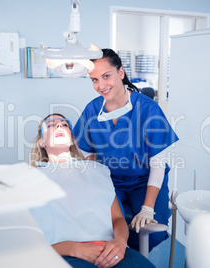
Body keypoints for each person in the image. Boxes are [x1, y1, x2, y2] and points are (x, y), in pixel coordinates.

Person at [73, 49, 179, 252]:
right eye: (94, 80)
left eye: (106, 76)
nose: (101, 86)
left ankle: (125, 252)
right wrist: (96, 178)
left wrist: (147, 207)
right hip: (111, 181)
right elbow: (85, 152)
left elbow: (157, 165)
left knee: (153, 233)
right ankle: (118, 252)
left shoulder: (148, 109)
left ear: (120, 72)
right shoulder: (92, 110)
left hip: (145, 181)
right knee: (95, 224)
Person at [29, 113, 155, 268]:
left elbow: (117, 219)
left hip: (113, 250)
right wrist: (73, 248)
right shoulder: (31, 179)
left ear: (73, 139)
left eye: (65, 124)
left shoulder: (97, 171)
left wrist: (120, 242)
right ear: (42, 142)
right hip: (65, 255)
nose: (59, 126)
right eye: (50, 125)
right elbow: (26, 240)